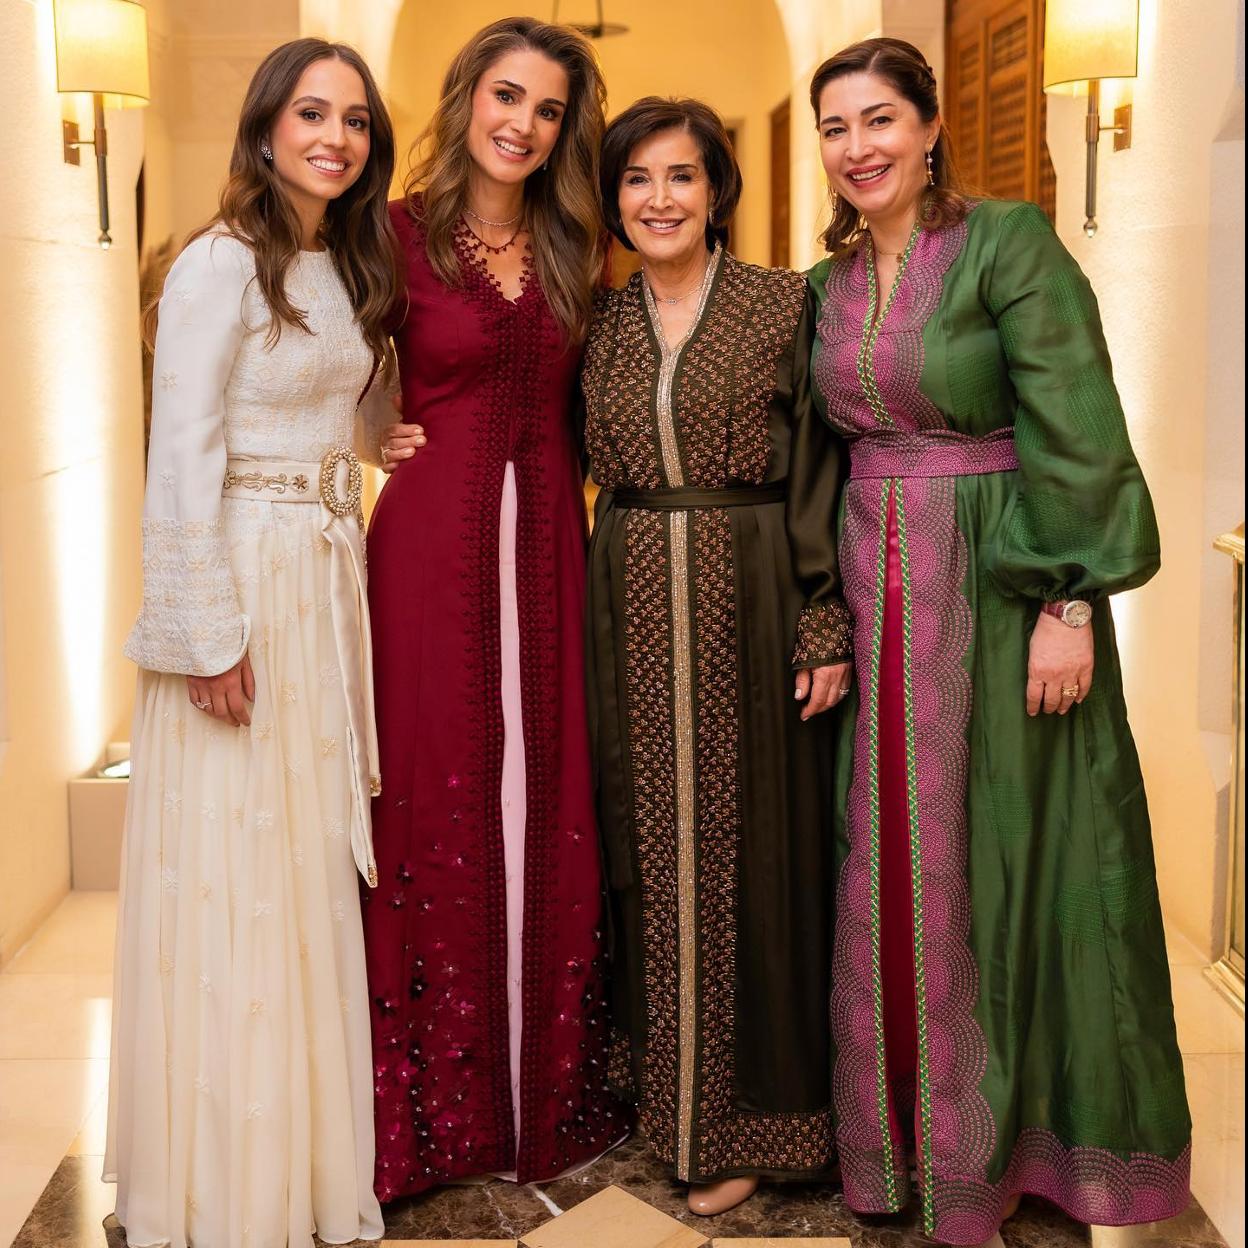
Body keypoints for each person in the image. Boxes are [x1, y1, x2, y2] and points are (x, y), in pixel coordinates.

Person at [806, 37, 1191, 1248]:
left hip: (1002, 589)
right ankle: (899, 1147)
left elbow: (1075, 420)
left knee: (1020, 864)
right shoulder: (823, 287)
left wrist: (1069, 602)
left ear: (929, 128)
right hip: (878, 595)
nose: (859, 146)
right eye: (836, 127)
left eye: (880, 120)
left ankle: (1017, 1152)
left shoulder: (1008, 241)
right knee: (889, 862)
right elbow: (816, 459)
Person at [107, 38, 400, 1248]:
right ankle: (225, 1178)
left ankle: (306, 1157)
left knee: (301, 874)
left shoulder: (345, 261)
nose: (335, 136)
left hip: (328, 580)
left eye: (355, 119)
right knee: (235, 871)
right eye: (312, 113)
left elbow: (348, 404)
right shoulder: (219, 263)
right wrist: (203, 634)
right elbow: (178, 454)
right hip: (242, 588)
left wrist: (386, 447)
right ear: (266, 126)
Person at [361, 18, 621, 1200]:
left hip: (550, 557)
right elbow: (312, 369)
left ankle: (544, 1095)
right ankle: (437, 1114)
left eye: (550, 108)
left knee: (543, 789)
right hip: (426, 552)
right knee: (431, 785)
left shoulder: (576, 246)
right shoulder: (391, 232)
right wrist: (363, 439)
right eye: (506, 94)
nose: (522, 122)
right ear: (468, 95)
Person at [579, 96, 852, 1216]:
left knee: (758, 853)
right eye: (637, 181)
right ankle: (667, 1105)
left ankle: (763, 1121)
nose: (659, 200)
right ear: (613, 201)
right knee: (648, 853)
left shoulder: (785, 305)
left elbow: (825, 470)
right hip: (628, 595)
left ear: (717, 190)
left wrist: (823, 614)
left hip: (753, 596)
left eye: (681, 177)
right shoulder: (594, 322)